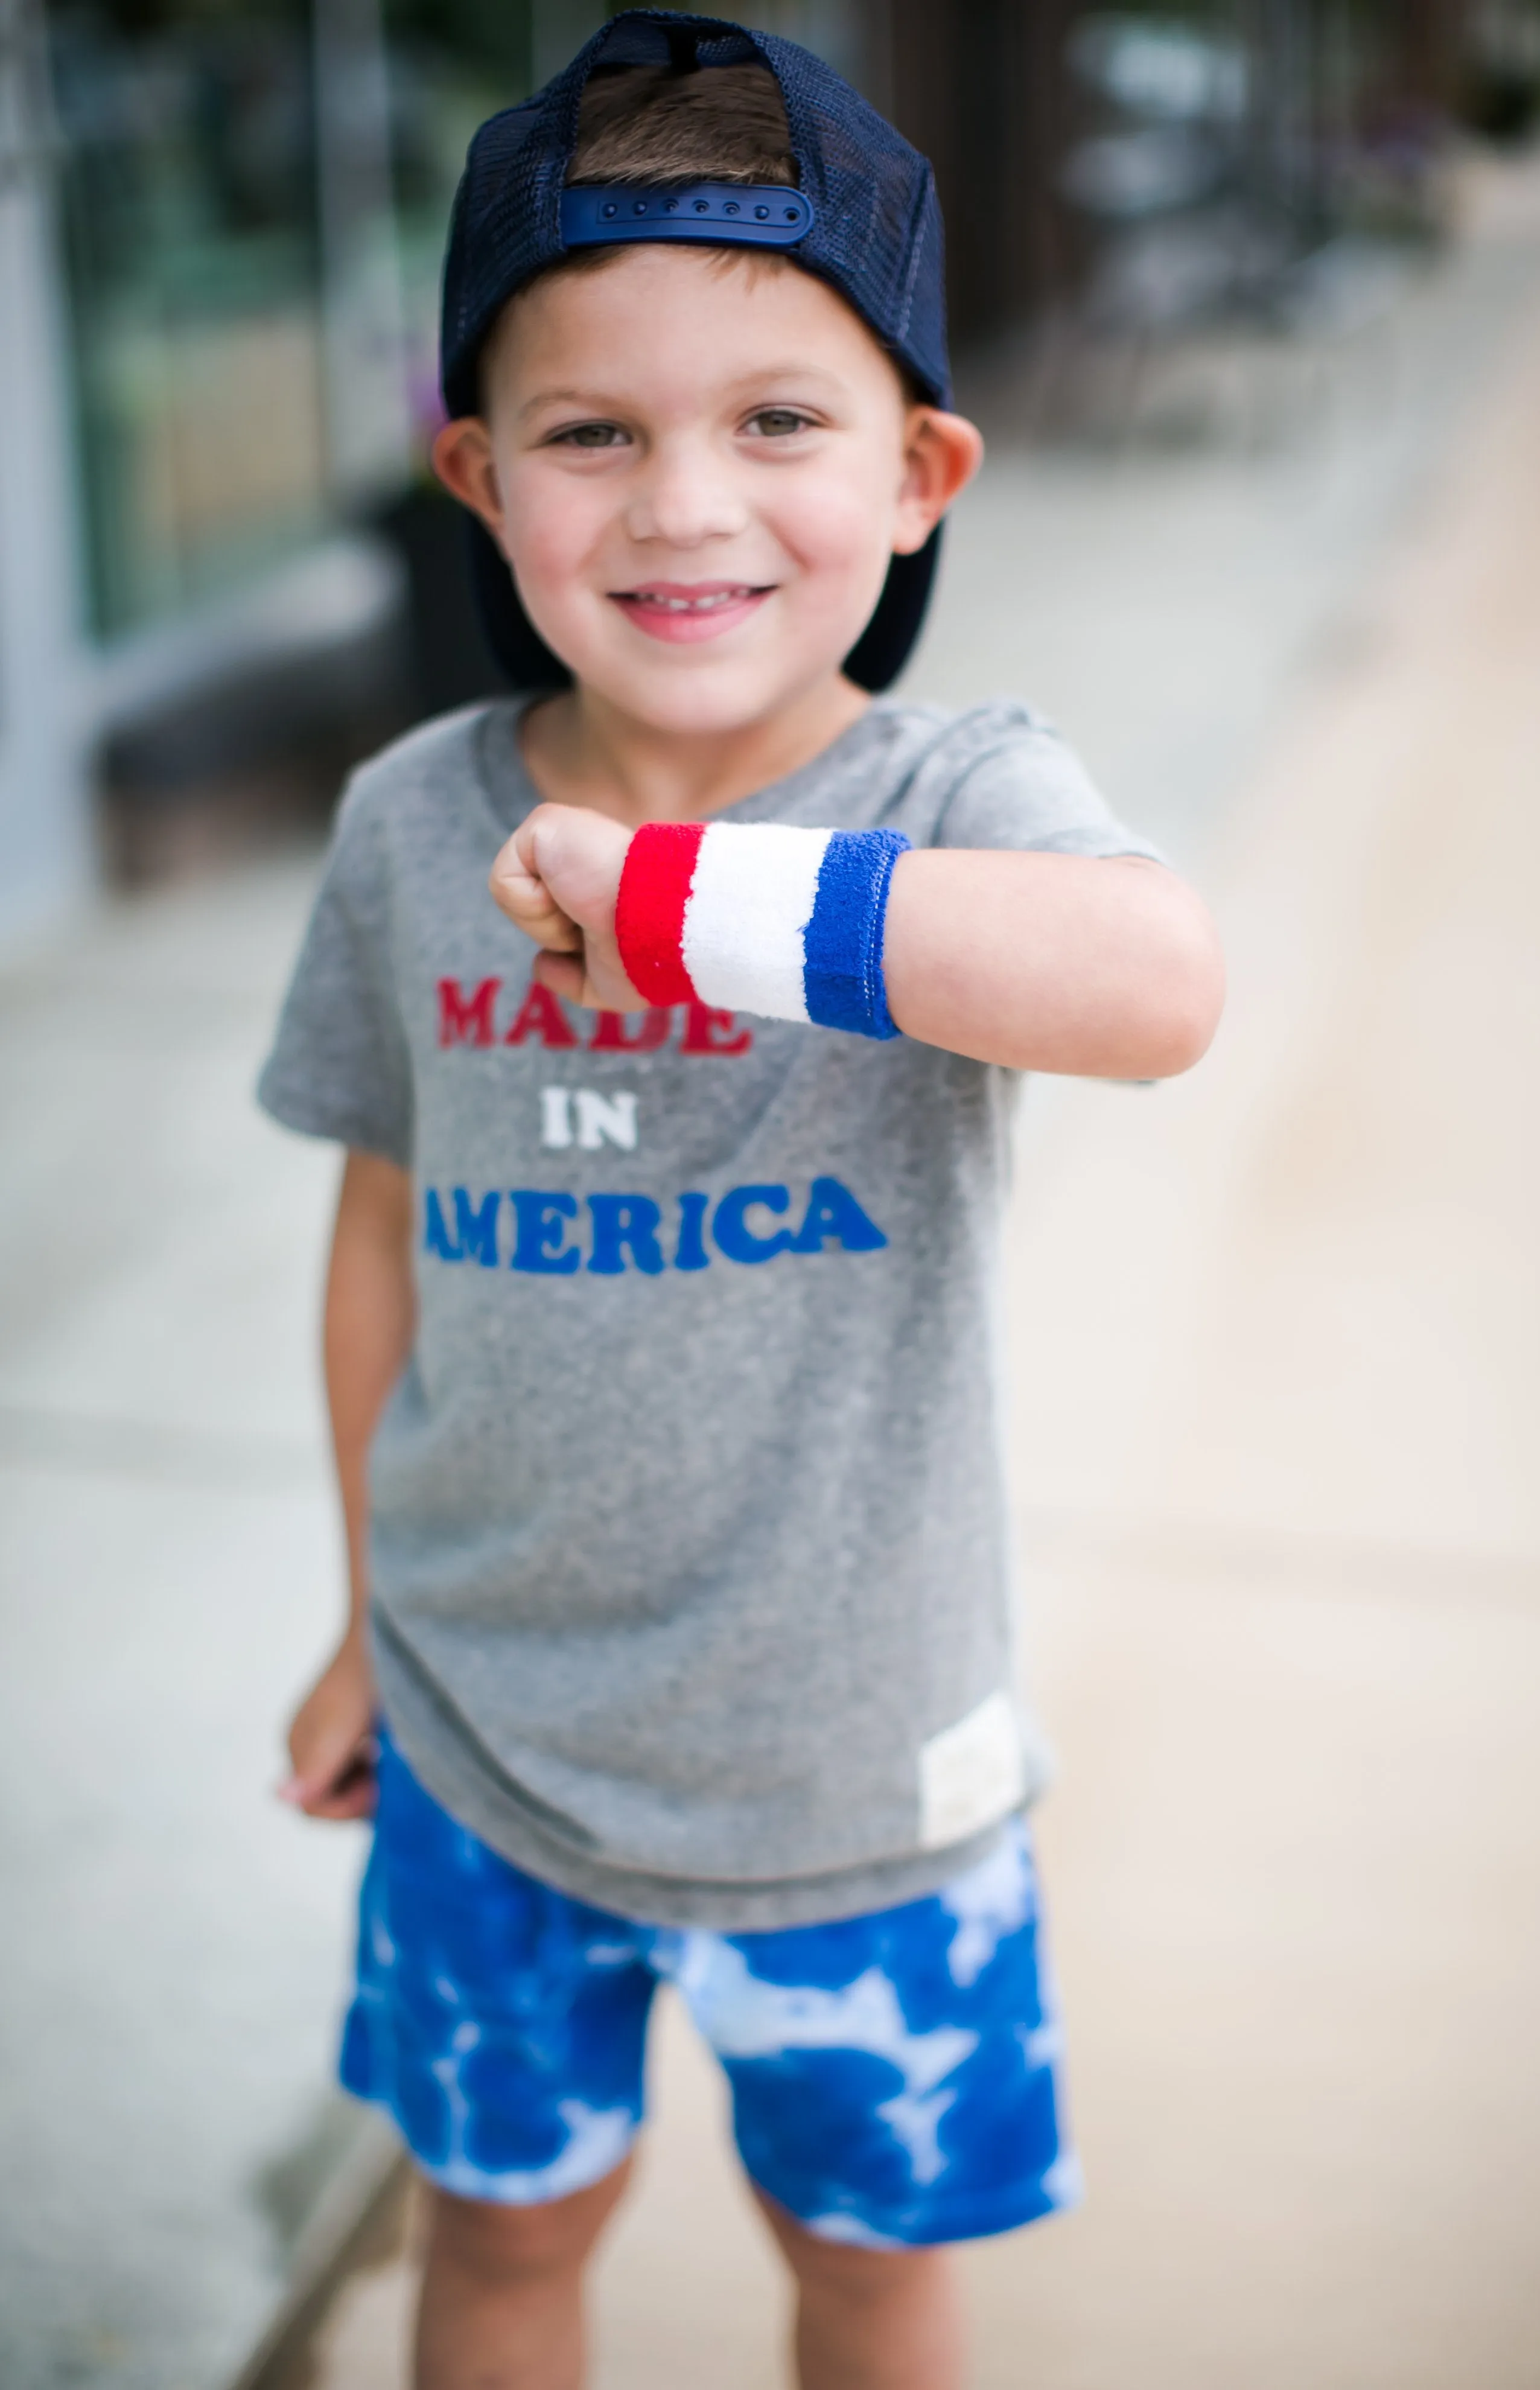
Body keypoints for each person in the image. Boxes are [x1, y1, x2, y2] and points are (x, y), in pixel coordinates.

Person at [260, 14, 1224, 2387]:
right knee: (497, 2255)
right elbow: (385, 1231)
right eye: (594, 432)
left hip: (860, 1777)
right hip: (489, 1748)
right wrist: (368, 1613)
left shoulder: (960, 789)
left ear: (918, 474)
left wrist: (700, 904)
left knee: (874, 2275)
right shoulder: (405, 822)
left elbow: (1154, 983)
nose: (684, 504)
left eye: (778, 424)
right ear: (479, 481)